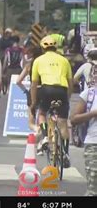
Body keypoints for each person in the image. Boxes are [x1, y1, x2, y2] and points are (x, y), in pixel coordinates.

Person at [31, 35, 73, 167]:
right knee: (62, 124)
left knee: (42, 113)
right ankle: (65, 153)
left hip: (46, 90)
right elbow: (71, 82)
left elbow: (34, 84)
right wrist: (68, 97)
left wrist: (33, 102)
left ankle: (44, 136)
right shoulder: (64, 60)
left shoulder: (38, 60)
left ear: (43, 47)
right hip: (61, 90)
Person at [70, 83, 97, 196]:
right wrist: (92, 114)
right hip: (94, 144)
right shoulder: (90, 94)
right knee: (93, 190)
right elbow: (73, 119)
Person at [16, 46, 43, 143]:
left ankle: (37, 130)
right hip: (46, 90)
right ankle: (43, 134)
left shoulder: (29, 65)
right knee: (43, 116)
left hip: (33, 91)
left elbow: (18, 81)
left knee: (31, 122)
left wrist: (26, 91)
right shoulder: (45, 64)